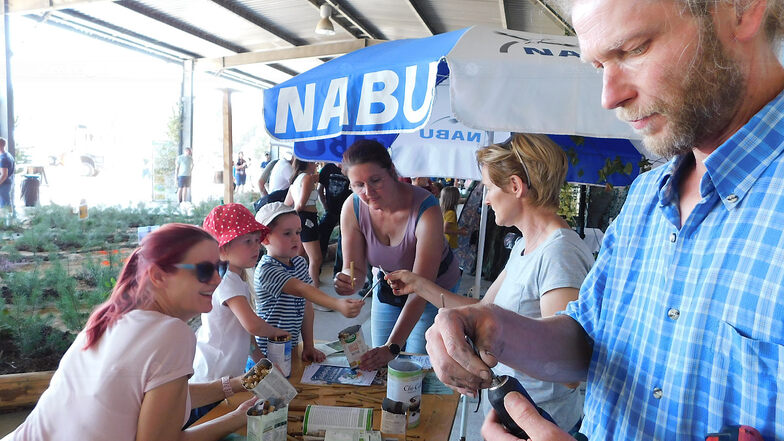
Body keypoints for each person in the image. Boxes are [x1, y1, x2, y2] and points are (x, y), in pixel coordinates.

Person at [425, 0, 784, 440]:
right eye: (598, 66)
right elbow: (588, 342)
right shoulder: (645, 198)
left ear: (742, 10)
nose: (609, 96)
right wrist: (492, 328)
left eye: (633, 49)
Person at [386, 134, 593, 432]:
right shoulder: (526, 246)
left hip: (541, 426)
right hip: (515, 420)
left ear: (515, 186)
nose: (485, 198)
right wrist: (418, 284)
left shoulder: (560, 252)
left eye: (489, 187)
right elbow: (482, 310)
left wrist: (488, 346)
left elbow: (566, 370)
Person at [8, 224, 257, 440]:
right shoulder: (172, 333)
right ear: (158, 276)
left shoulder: (110, 316)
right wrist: (238, 417)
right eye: (204, 270)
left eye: (220, 268)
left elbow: (152, 396)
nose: (216, 279)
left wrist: (233, 385)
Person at [333, 139, 460, 371]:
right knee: (377, 360)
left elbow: (422, 289)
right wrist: (347, 282)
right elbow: (356, 272)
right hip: (389, 286)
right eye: (358, 185)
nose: (368, 192)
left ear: (392, 172)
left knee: (417, 361)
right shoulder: (351, 208)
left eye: (375, 181)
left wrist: (393, 347)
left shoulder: (427, 208)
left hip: (433, 290)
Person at [188, 204, 289, 424]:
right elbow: (253, 325)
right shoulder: (227, 283)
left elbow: (247, 333)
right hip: (212, 375)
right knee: (204, 423)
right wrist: (277, 332)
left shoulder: (236, 280)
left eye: (256, 239)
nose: (256, 247)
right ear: (222, 249)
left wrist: (260, 359)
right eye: (247, 241)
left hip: (224, 373)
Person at [254, 202, 364, 362]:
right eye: (287, 233)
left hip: (290, 345)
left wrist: (308, 345)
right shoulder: (267, 269)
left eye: (298, 232)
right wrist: (337, 304)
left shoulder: (298, 262)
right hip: (267, 350)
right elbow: (301, 289)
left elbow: (306, 305)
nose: (296, 239)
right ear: (265, 239)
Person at [285, 159, 322, 289]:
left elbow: (287, 203)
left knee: (299, 256)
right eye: (314, 163)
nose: (316, 165)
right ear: (308, 163)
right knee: (316, 258)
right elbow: (300, 204)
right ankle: (315, 295)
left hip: (303, 219)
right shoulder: (307, 178)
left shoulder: (295, 180)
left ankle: (296, 288)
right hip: (307, 219)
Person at [317, 162, 352, 261]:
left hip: (346, 211)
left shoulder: (349, 168)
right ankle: (320, 261)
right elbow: (319, 190)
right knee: (322, 234)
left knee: (344, 240)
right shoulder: (328, 168)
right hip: (331, 209)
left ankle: (339, 268)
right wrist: (325, 206)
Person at [439, 185, 466, 249]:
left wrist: (458, 229)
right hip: (449, 243)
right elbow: (445, 230)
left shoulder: (443, 211)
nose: (460, 198)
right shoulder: (451, 213)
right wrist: (460, 232)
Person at [0, 137, 16, 209]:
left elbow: (4, 175)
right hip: (9, 181)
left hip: (4, 184)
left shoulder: (3, 158)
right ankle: (8, 218)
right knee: (6, 202)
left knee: (5, 205)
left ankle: (7, 219)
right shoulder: (8, 154)